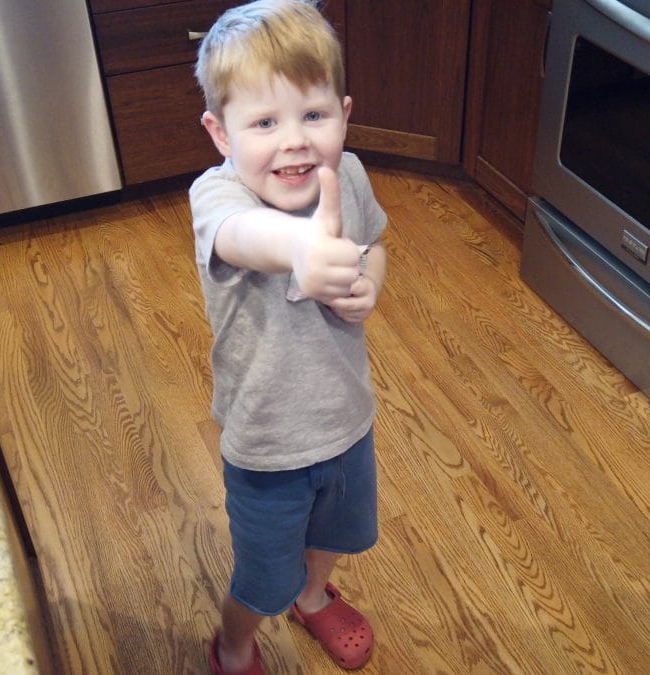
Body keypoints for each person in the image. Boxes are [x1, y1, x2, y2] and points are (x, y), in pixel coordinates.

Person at [189, 1, 388, 673]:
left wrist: (369, 282)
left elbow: (374, 242)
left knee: (336, 534)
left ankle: (313, 594)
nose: (295, 140)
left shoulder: (347, 176)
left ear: (345, 112)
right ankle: (235, 642)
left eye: (314, 114)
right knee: (260, 578)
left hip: (347, 421)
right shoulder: (219, 200)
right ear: (221, 134)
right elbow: (248, 240)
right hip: (268, 447)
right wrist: (303, 245)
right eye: (265, 122)